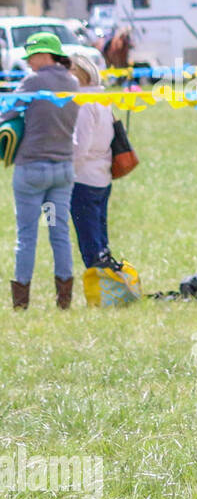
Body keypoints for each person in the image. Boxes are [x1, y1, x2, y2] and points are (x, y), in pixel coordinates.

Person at [2, 33, 81, 310]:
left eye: (31, 57)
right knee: (58, 232)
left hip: (31, 171)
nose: (29, 63)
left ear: (45, 55)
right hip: (62, 171)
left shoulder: (34, 81)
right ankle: (64, 301)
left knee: (26, 236)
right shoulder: (73, 82)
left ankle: (21, 304)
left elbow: (7, 111)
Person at [69, 55, 114, 270]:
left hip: (84, 180)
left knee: (90, 243)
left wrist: (67, 175)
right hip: (102, 177)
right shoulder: (103, 101)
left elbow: (80, 147)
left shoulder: (83, 104)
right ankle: (108, 282)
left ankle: (101, 285)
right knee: (100, 241)